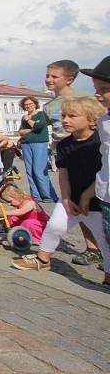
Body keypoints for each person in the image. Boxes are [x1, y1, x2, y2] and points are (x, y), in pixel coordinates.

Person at [11, 96, 109, 286]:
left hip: (96, 200)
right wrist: (65, 198)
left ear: (91, 119)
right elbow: (63, 174)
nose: (65, 120)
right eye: (64, 116)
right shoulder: (64, 145)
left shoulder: (99, 143)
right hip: (70, 199)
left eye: (72, 116)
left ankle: (108, 277)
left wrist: (87, 196)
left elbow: (103, 172)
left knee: (105, 241)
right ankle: (43, 260)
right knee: (54, 226)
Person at [42, 59, 102, 267]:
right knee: (75, 201)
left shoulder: (82, 99)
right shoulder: (49, 106)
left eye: (54, 76)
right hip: (65, 152)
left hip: (88, 151)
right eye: (47, 75)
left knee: (95, 205)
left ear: (69, 78)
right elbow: (48, 130)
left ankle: (99, 246)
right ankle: (92, 247)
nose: (48, 79)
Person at [81, 56, 110, 286]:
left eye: (105, 89)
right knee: (108, 237)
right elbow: (104, 158)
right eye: (96, 89)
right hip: (105, 191)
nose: (98, 94)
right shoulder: (104, 121)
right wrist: (92, 189)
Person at [18, 95, 58, 202]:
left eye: (30, 104)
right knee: (30, 171)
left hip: (39, 143)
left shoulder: (41, 114)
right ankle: (36, 196)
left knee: (39, 170)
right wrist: (32, 128)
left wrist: (30, 122)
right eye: (26, 105)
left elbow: (39, 127)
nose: (28, 106)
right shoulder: (24, 118)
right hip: (26, 144)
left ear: (35, 104)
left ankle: (48, 195)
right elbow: (20, 132)